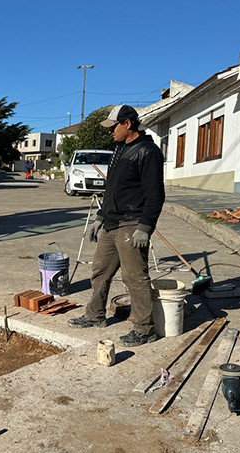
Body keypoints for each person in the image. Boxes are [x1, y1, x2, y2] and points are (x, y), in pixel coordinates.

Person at [68, 105, 165, 347]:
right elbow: (111, 189)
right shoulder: (120, 149)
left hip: (131, 224)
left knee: (134, 277)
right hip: (111, 224)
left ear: (127, 124)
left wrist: (145, 227)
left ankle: (144, 329)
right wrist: (100, 217)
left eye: (113, 127)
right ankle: (95, 315)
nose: (110, 132)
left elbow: (155, 195)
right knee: (100, 271)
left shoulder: (147, 152)